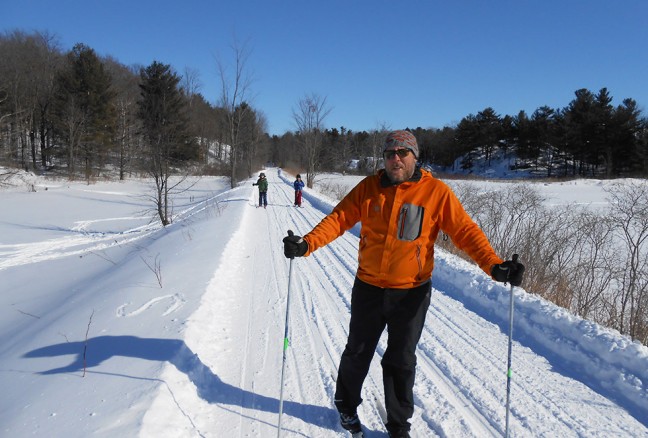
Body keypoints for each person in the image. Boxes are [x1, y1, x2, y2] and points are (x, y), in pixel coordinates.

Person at [283, 130, 524, 438]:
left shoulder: (436, 193)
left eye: (402, 152)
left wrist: (494, 265)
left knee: (401, 360)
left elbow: (465, 232)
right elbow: (339, 219)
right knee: (357, 350)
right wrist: (306, 244)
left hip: (411, 292)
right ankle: (345, 404)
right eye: (389, 153)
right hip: (369, 287)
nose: (395, 158)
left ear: (414, 156)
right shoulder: (369, 188)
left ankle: (398, 426)